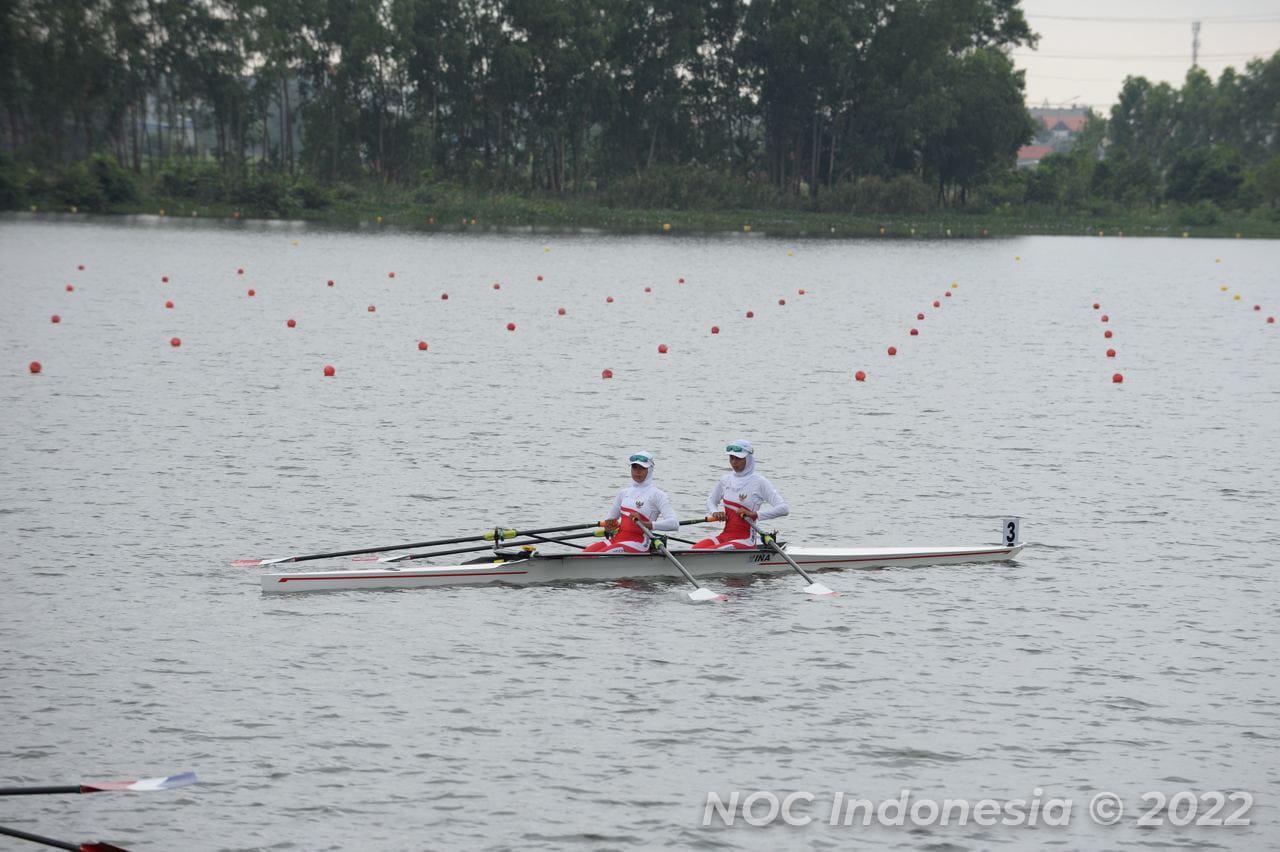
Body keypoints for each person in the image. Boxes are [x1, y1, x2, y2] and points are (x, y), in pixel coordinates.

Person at [693, 439, 789, 549]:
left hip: (746, 540)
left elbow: (784, 509)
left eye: (738, 458)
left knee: (715, 551)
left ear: (748, 459)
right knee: (693, 549)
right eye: (731, 458)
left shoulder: (759, 482)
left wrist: (755, 515)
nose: (734, 462)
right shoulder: (725, 480)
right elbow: (711, 501)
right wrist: (715, 512)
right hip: (725, 536)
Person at [583, 451, 678, 553]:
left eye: (642, 468)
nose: (637, 471)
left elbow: (674, 524)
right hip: (618, 539)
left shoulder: (657, 495)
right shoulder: (623, 493)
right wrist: (609, 526)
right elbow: (609, 519)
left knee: (601, 554)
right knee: (584, 553)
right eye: (634, 467)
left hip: (639, 542)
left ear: (650, 470)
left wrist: (645, 524)